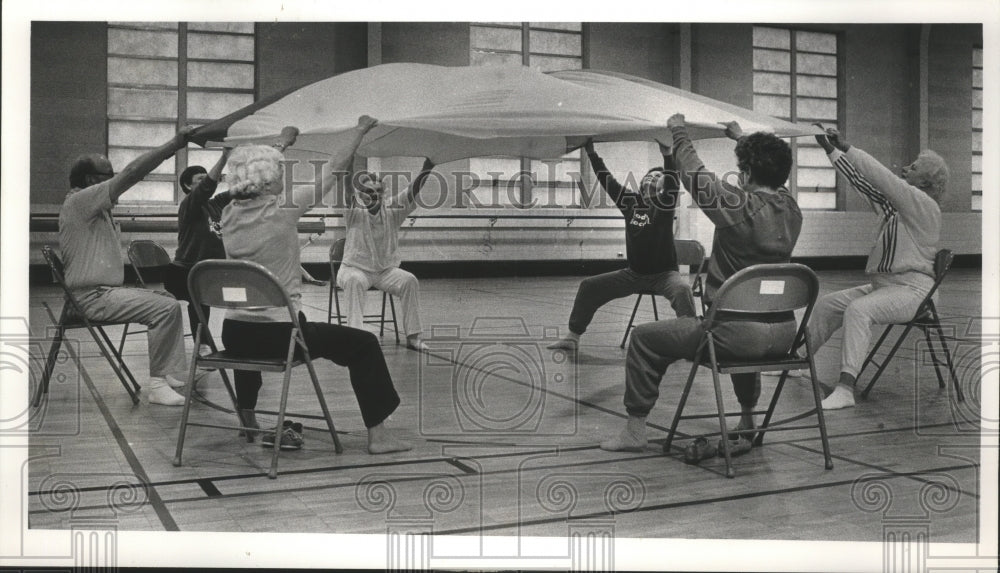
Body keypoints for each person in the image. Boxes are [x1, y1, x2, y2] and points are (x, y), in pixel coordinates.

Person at [600, 114, 802, 457]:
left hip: (735, 337)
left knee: (644, 339)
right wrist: (742, 140)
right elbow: (772, 172)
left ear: (748, 174)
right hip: (783, 336)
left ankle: (635, 429)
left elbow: (694, 173)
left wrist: (679, 130)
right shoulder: (792, 210)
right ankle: (748, 417)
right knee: (745, 315)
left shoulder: (739, 207)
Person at [219, 116, 411, 454]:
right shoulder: (284, 209)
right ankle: (378, 437)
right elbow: (335, 167)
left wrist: (281, 142)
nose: (282, 178)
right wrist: (359, 131)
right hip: (281, 338)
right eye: (278, 174)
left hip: (234, 335)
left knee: (250, 325)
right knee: (364, 344)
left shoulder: (227, 213)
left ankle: (247, 418)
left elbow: (254, 172)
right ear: (268, 182)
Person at [807, 126, 948, 410]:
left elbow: (881, 178)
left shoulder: (925, 206)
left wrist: (847, 147)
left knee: (859, 310)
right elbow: (862, 182)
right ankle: (799, 358)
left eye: (914, 167)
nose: (905, 168)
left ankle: (846, 388)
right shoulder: (897, 210)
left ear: (925, 185)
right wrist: (830, 150)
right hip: (886, 287)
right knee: (828, 305)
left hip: (914, 291)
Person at [59, 126, 196, 406]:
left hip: (99, 293)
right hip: (91, 297)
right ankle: (157, 385)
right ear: (89, 179)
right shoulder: (80, 200)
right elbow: (132, 173)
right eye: (109, 175)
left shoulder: (91, 206)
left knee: (167, 299)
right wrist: (174, 144)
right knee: (166, 308)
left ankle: (165, 372)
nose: (115, 180)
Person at [547, 140, 698, 351]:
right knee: (589, 286)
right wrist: (591, 153)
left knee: (682, 290)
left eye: (658, 177)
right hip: (634, 274)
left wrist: (667, 156)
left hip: (664, 275)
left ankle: (691, 340)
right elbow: (606, 179)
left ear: (664, 186)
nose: (651, 178)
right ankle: (573, 336)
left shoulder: (664, 205)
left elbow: (673, 185)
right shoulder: (629, 202)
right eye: (649, 175)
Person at [336, 153, 435, 351]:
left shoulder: (392, 210)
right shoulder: (354, 210)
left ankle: (413, 337)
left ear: (384, 193)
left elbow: (412, 191)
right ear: (361, 194)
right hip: (354, 269)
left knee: (409, 280)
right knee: (354, 281)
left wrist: (428, 167)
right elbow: (347, 188)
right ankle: (356, 339)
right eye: (369, 191)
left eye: (378, 191)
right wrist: (350, 159)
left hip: (384, 272)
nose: (374, 195)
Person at [163, 148, 232, 341]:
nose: (205, 181)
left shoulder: (215, 204)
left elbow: (238, 191)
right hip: (184, 272)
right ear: (187, 186)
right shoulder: (189, 204)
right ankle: (202, 345)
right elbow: (207, 187)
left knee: (206, 299)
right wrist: (224, 157)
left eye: (205, 177)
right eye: (199, 179)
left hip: (209, 270)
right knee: (199, 302)